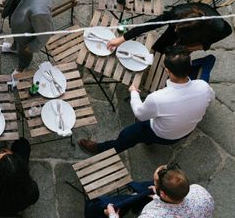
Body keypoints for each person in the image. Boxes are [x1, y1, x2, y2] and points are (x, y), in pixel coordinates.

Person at [79, 47, 215, 156]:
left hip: (162, 134)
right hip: (185, 132)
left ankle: (101, 149)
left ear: (168, 71)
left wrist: (133, 92)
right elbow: (210, 99)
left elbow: (140, 114)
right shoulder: (204, 86)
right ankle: (148, 140)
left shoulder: (157, 98)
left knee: (127, 135)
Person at [107, 2, 232, 83]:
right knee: (160, 47)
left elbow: (228, 31)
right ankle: (148, 68)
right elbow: (150, 25)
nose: (176, 29)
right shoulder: (177, 13)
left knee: (176, 59)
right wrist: (122, 38)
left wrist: (201, 46)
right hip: (186, 30)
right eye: (177, 27)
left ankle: (167, 73)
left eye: (177, 29)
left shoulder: (220, 27)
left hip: (195, 39)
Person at [88, 164, 214, 218]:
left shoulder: (152, 215)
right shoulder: (201, 192)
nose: (153, 183)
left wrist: (112, 214)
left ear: (163, 193)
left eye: (154, 182)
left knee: (94, 207)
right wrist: (157, 196)